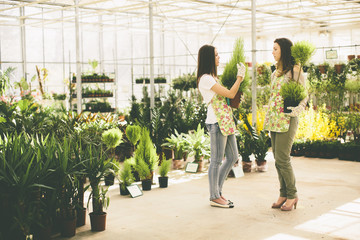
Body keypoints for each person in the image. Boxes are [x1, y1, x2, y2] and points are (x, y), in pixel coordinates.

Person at [197, 44, 246, 208]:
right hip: (216, 122)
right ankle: (214, 196)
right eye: (216, 55)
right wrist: (240, 78)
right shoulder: (206, 79)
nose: (219, 57)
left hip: (225, 121)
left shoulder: (212, 77)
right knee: (216, 161)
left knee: (232, 157)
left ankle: (218, 192)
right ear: (209, 58)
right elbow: (231, 94)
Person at [264, 38, 308, 211]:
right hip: (274, 118)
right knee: (277, 159)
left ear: (284, 50)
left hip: (288, 118)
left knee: (283, 158)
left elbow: (304, 93)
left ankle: (293, 195)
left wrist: (299, 108)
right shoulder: (275, 73)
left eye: (275, 49)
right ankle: (283, 193)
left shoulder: (294, 71)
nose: (272, 52)